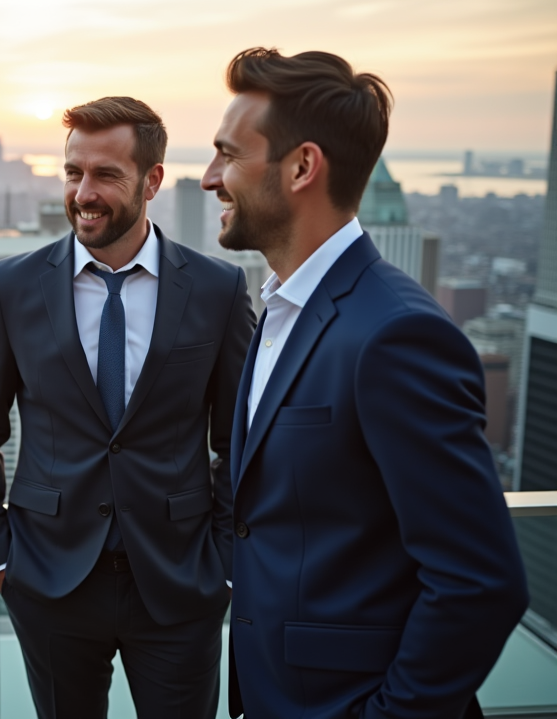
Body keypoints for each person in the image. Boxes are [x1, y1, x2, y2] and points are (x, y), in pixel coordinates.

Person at [202, 47, 529, 719]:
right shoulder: (281, 311)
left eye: (227, 155)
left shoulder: (396, 336)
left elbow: (479, 581)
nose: (209, 178)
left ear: (302, 167)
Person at [0, 96, 255, 718]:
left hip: (180, 583)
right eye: (73, 173)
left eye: (106, 175)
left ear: (152, 180)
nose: (83, 193)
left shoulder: (218, 289)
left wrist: (224, 565)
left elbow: (239, 440)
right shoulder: (12, 286)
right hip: (48, 581)